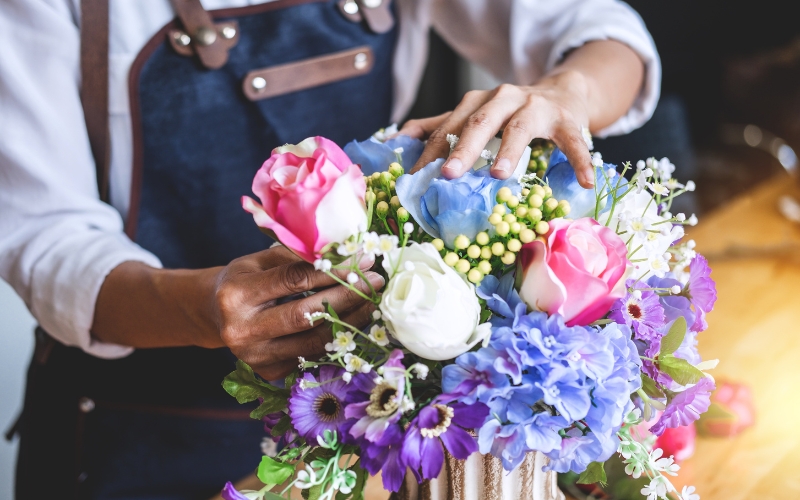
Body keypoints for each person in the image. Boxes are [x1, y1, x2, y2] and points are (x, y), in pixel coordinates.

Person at [0, 0, 659, 498]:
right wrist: (202, 307)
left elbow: (603, 34)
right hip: (129, 437)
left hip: (359, 437)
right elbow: (42, 234)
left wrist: (561, 94)